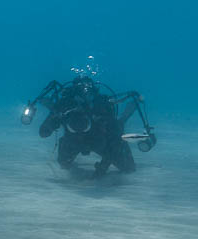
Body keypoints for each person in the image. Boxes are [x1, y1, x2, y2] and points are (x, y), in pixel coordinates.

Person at [22, 75, 155, 177]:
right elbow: (43, 133)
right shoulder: (65, 106)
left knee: (128, 168)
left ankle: (123, 119)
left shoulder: (100, 106)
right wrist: (55, 117)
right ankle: (121, 121)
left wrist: (102, 168)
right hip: (72, 143)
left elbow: (115, 140)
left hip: (99, 141)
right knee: (63, 164)